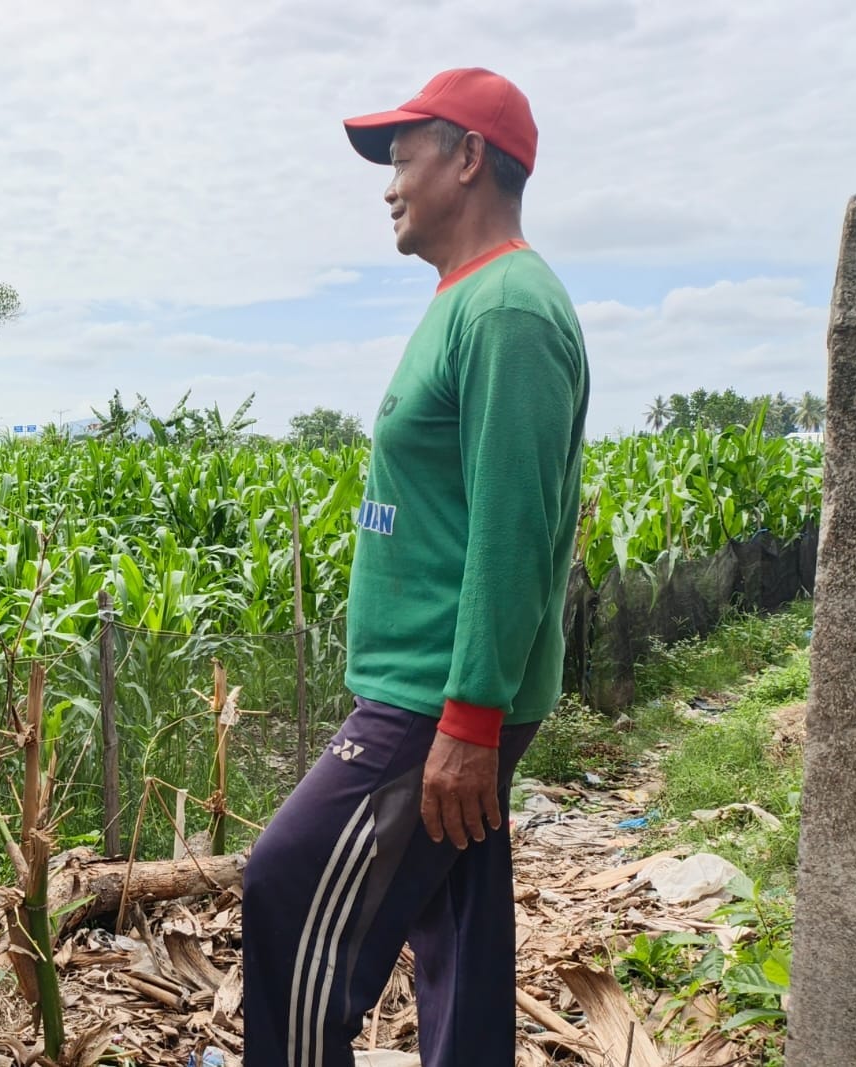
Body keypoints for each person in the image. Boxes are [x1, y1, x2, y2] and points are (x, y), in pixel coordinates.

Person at [241, 68, 590, 1067]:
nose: (388, 183)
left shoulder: (508, 311)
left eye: (401, 157)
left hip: (436, 698)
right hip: (437, 693)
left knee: (283, 887)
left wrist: (470, 717)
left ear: (469, 158)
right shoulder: (468, 300)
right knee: (454, 937)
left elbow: (513, 534)